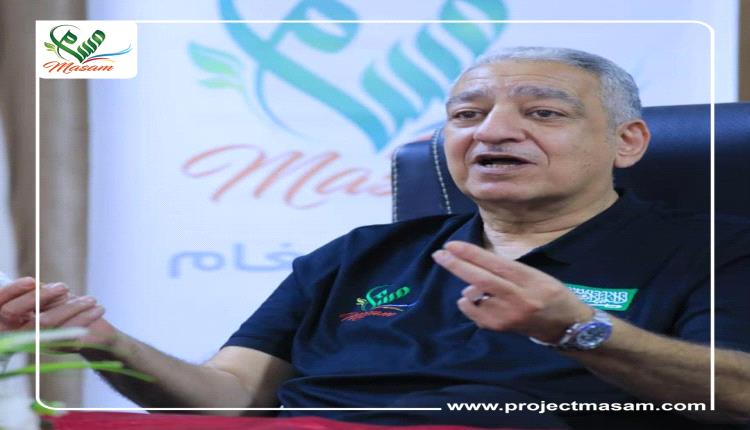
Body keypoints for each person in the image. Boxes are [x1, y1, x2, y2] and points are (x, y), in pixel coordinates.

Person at [1, 47, 749, 429]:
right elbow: (226, 401)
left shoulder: (713, 248)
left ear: (627, 142)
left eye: (543, 112)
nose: (492, 130)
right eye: (466, 114)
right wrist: (105, 343)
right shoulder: (360, 253)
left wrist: (577, 329)